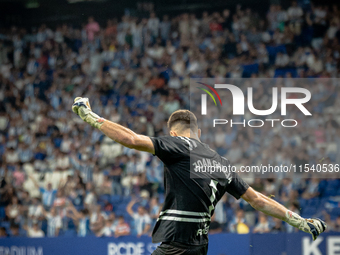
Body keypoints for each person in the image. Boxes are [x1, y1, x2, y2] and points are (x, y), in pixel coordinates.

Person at [72, 98, 326, 255]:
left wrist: (89, 116)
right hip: (199, 245)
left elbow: (132, 139)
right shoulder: (221, 161)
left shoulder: (180, 145)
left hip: (177, 242)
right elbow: (258, 199)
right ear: (199, 131)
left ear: (174, 133)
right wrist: (299, 221)